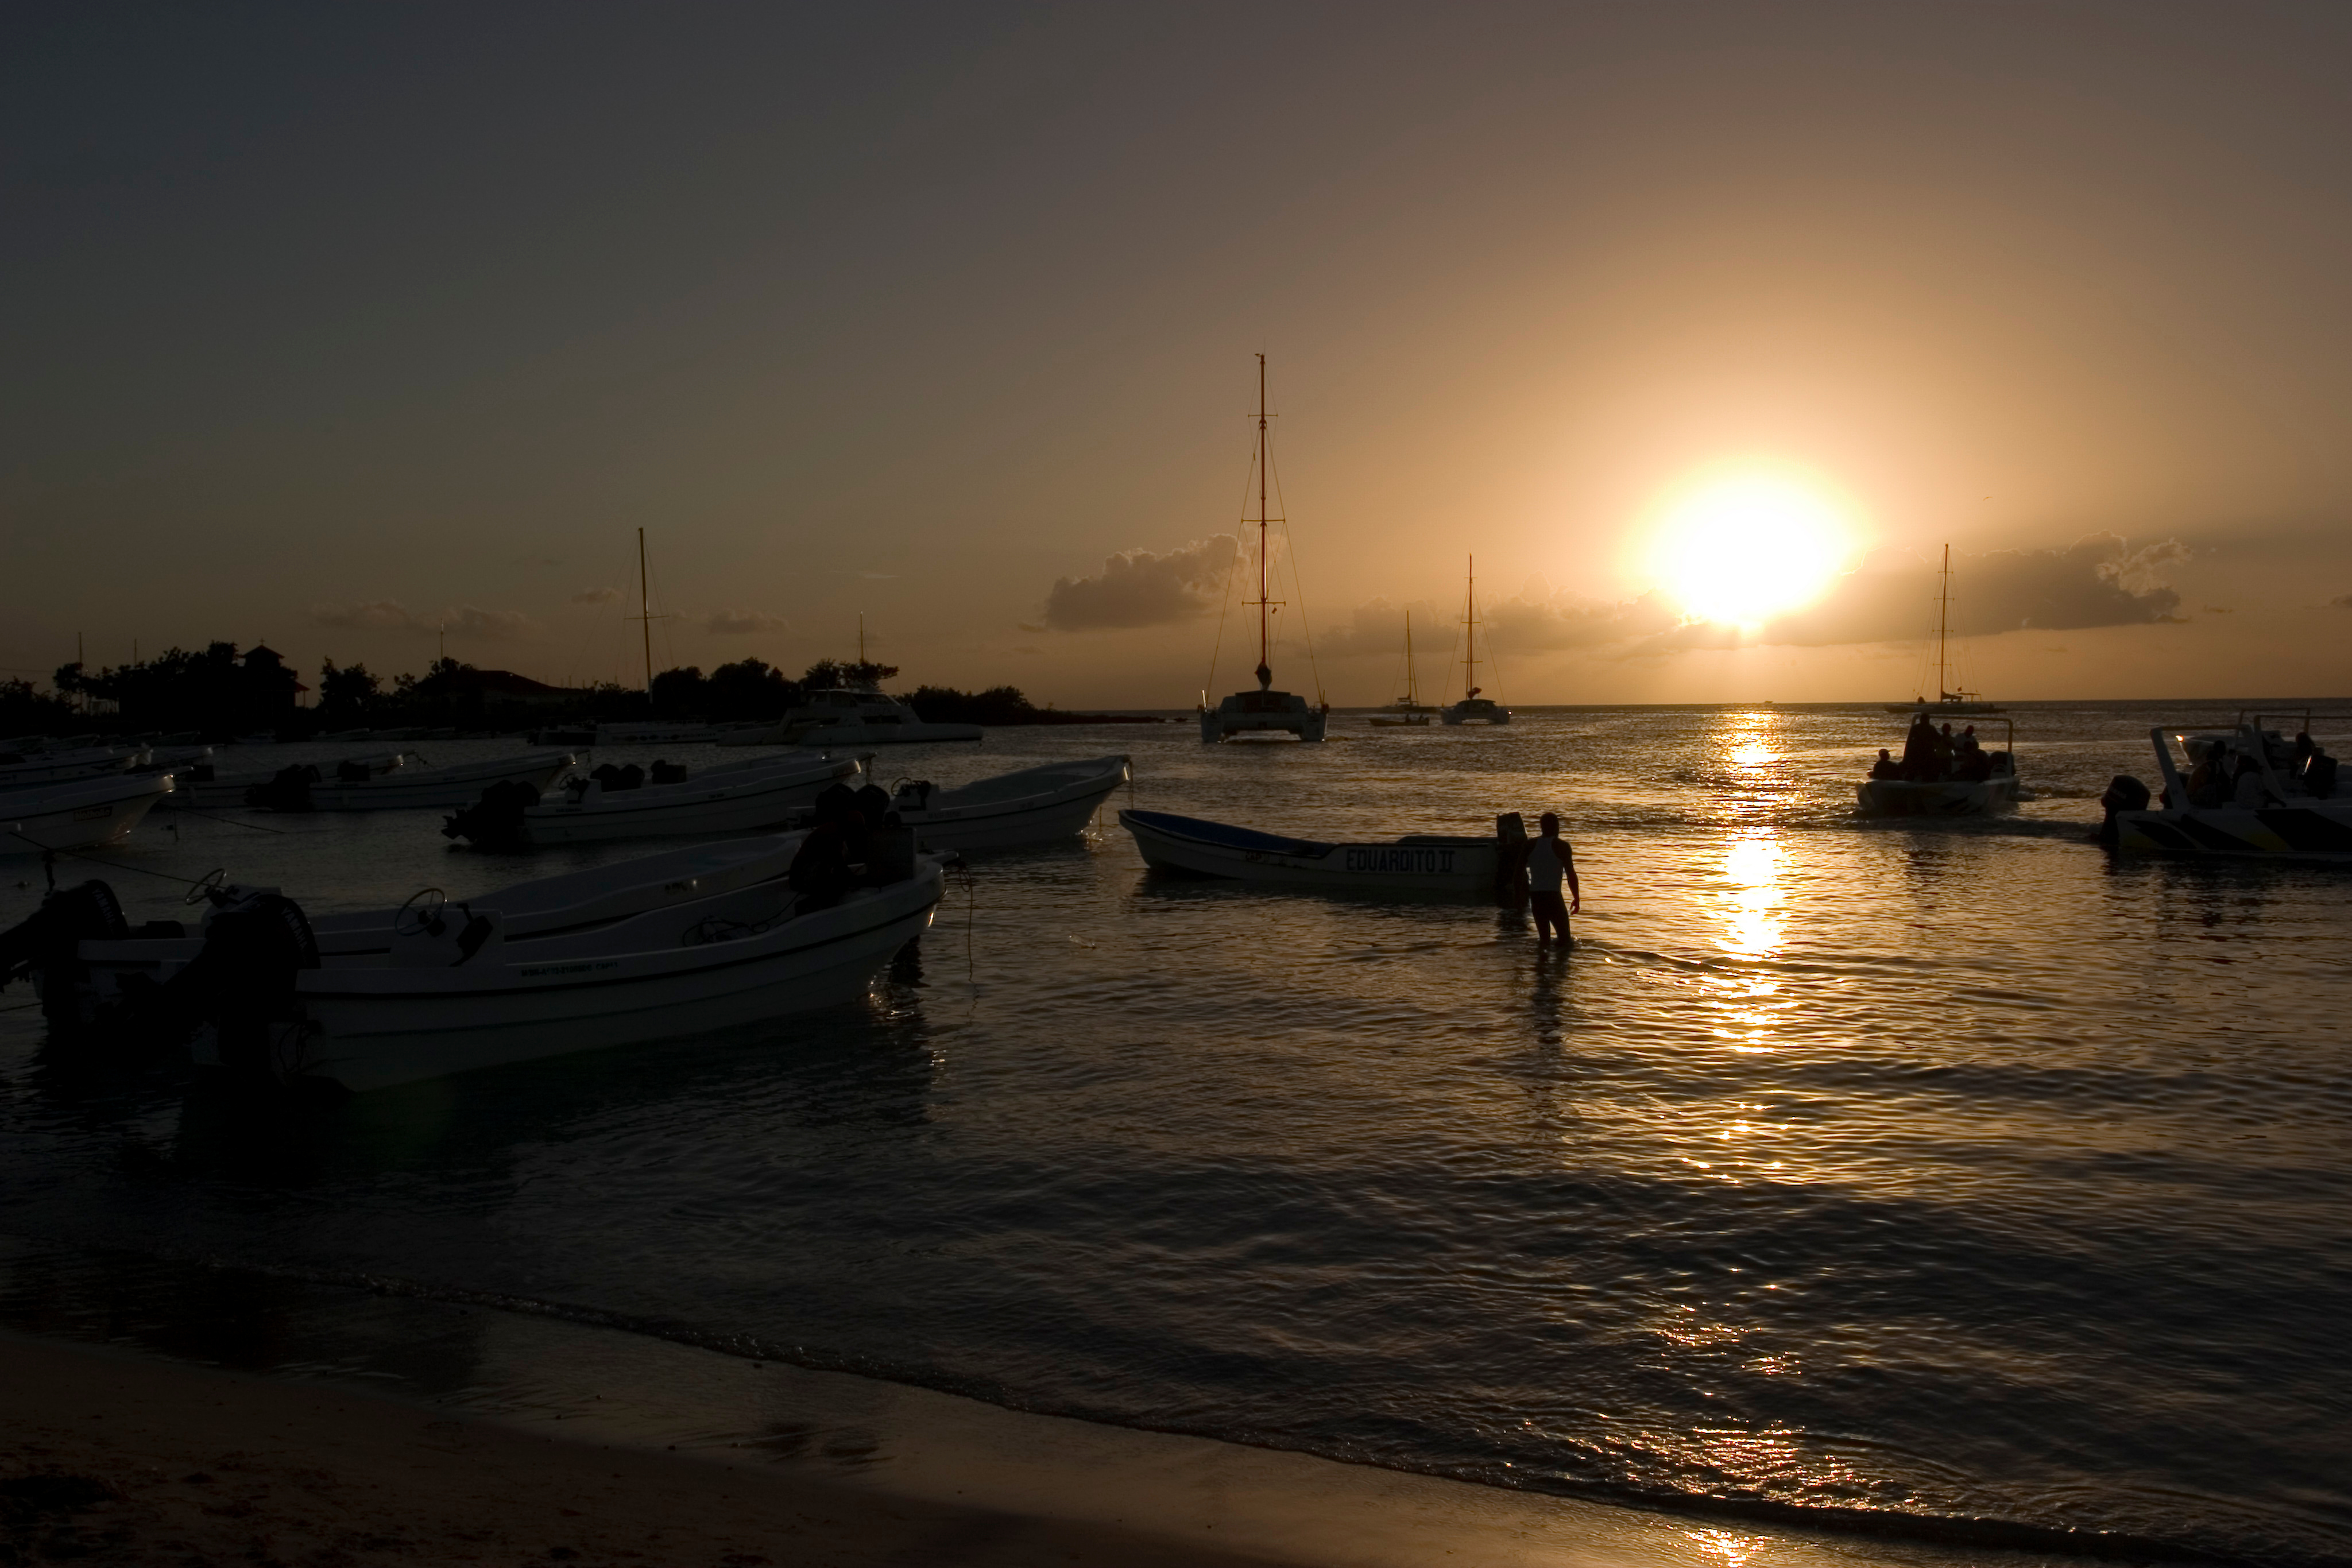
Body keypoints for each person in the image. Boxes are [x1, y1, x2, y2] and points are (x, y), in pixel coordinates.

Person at [1526, 811, 1581, 950]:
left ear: (1541, 827)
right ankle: (1560, 970)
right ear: (1557, 827)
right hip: (1553, 897)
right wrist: (1576, 898)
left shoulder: (1530, 845)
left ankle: (1542, 969)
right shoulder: (1562, 846)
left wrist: (1522, 895)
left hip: (1536, 897)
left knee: (1544, 940)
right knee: (1565, 941)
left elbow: (1517, 873)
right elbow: (1571, 875)